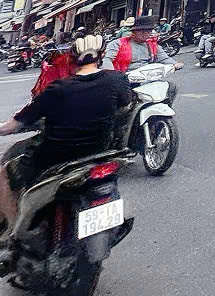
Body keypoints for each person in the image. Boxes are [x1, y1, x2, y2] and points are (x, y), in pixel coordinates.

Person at [0, 33, 134, 230]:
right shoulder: (117, 79)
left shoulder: (57, 88)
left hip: (56, 157)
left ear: (73, 59)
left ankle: (13, 229)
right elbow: (125, 105)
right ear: (102, 55)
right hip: (101, 151)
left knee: (4, 174)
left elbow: (15, 123)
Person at [104, 16, 181, 72]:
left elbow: (164, 58)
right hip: (124, 77)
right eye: (142, 31)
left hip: (148, 76)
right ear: (134, 32)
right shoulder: (118, 44)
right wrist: (111, 74)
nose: (146, 34)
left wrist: (175, 64)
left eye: (148, 31)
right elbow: (107, 59)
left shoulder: (153, 45)